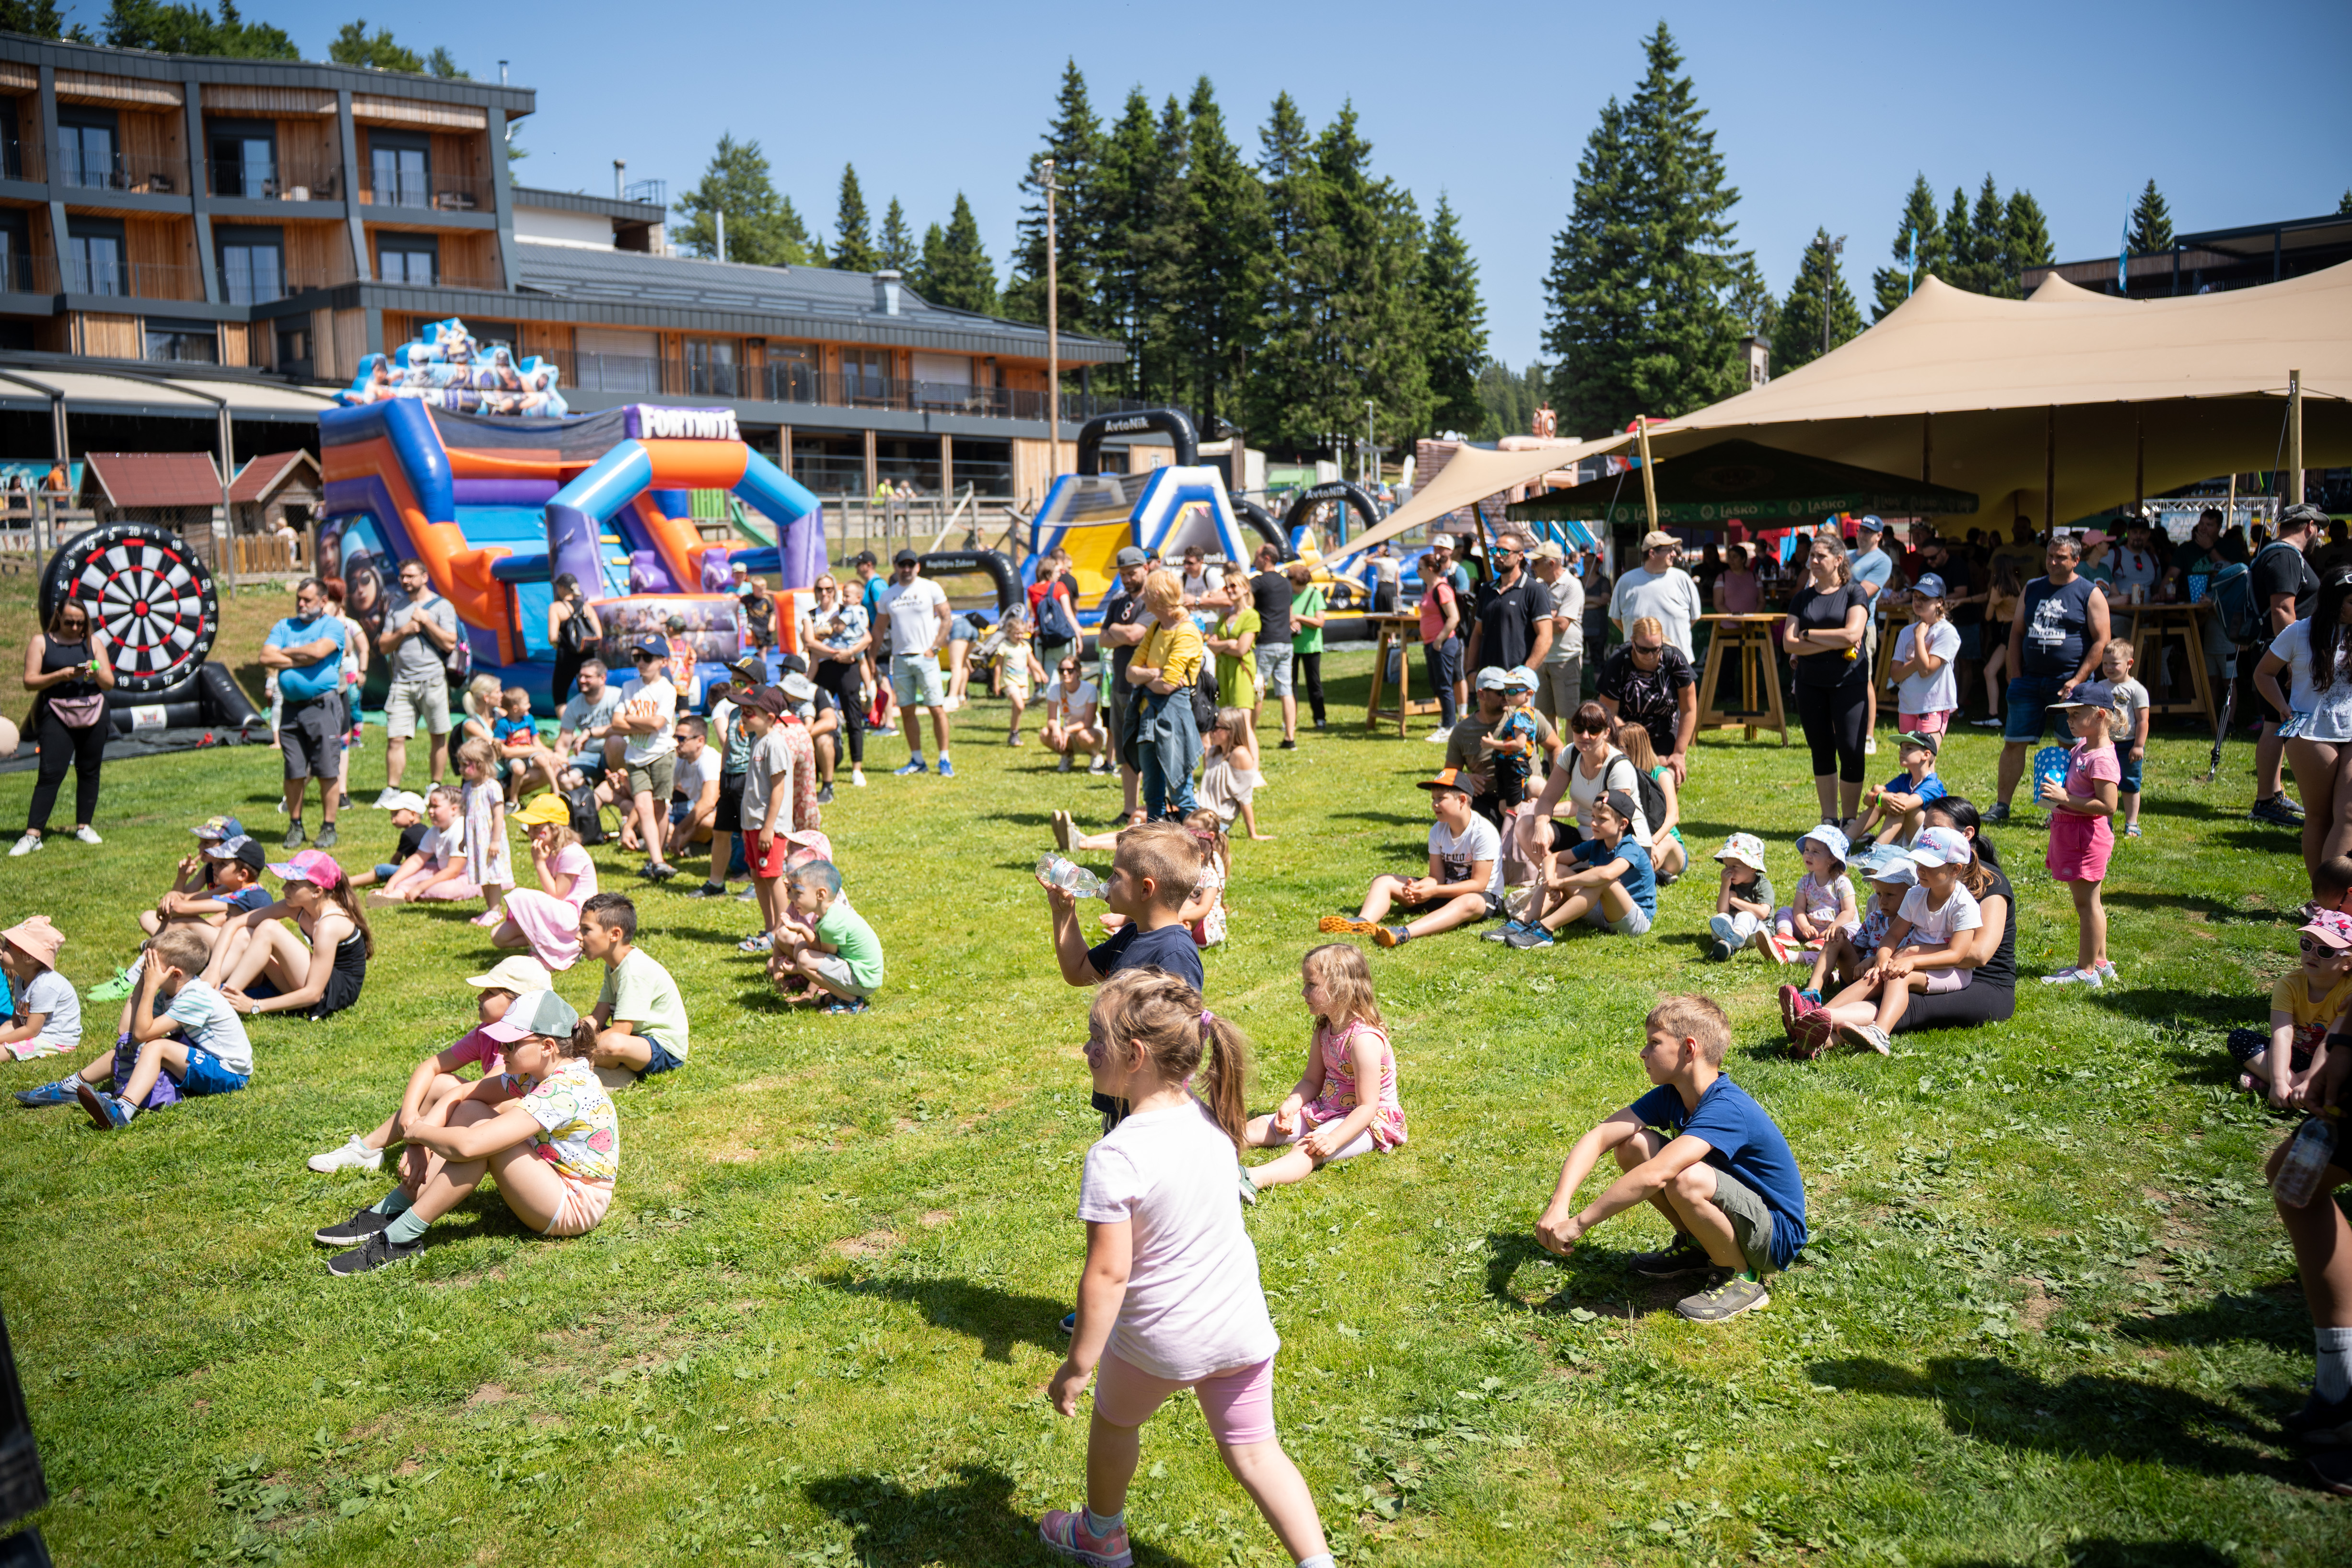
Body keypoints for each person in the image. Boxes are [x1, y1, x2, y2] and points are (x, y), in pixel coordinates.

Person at [1039, 968, 1330, 1568]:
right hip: (1242, 1326)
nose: (1086, 1049)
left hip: (1161, 1341)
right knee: (1257, 1453)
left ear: (1136, 1054)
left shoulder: (1116, 1153)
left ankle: (1101, 1533)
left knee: (1114, 1423)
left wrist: (1077, 1364)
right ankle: (1318, 1563)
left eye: (1097, 1037)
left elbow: (1107, 1276)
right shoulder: (1210, 1119)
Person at [1534, 994, 1807, 1323]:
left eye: (1654, 1042)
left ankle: (1743, 1278)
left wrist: (1578, 1224)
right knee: (1632, 1144)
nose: (1643, 1052)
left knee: (1684, 1177)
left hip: (1774, 1236)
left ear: (1689, 1049)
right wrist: (1559, 1203)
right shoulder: (1673, 1094)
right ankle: (1699, 1247)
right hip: (1740, 1216)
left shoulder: (1726, 1107)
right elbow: (1600, 1136)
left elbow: (1657, 1174)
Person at [312, 988, 617, 1275]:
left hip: (573, 1206)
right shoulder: (536, 1073)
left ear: (547, 1047)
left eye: (510, 1044)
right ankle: (395, 1209)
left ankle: (403, 1238)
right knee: (472, 1112)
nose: (501, 1051)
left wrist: (418, 1133)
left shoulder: (564, 1088)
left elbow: (470, 1146)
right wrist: (418, 1141)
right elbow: (464, 1095)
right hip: (548, 1180)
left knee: (481, 1136)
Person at [305, 953, 551, 1173]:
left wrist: (422, 1134)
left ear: (518, 1003)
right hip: (488, 1121)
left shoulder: (524, 1046)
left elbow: (485, 1093)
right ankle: (368, 1149)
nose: (480, 996)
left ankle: (402, 1156)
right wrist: (411, 1111)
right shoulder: (485, 1033)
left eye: (490, 992)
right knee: (443, 1084)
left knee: (452, 1092)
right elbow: (432, 1065)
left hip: (520, 1132)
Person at [1794, 827, 1983, 1055]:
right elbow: (1893, 936)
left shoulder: (1963, 905)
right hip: (1911, 961)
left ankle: (1880, 1033)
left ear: (1955, 869)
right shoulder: (1916, 895)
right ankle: (1818, 1018)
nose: (1920, 870)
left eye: (1929, 865)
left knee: (1898, 976)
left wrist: (1911, 963)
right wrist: (1883, 958)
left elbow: (1957, 954)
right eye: (1919, 863)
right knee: (1875, 976)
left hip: (1950, 970)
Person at [1240, 943, 1405, 1191]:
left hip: (1367, 1121)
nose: (1303, 992)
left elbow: (1368, 1106)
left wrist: (1332, 1138)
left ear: (1340, 989)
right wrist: (1291, 1105)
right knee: (1260, 1126)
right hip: (1330, 1108)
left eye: (1312, 985)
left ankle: (1250, 1179)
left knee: (1309, 1148)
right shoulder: (1324, 1030)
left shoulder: (1364, 1041)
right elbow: (1311, 1081)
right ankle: (1206, 1152)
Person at [65, 926, 252, 1129]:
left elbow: (141, 1033)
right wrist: (141, 984)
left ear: (175, 974)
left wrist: (151, 986)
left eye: (153, 963)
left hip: (229, 1073)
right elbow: (127, 1031)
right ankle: (72, 1085)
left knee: (155, 1047)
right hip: (200, 1056)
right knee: (136, 1045)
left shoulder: (195, 997)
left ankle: (122, 1111)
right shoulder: (169, 993)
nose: (145, 966)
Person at [1990, 534, 2111, 822]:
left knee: (2070, 746)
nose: (2054, 562)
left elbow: (2102, 640)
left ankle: (2062, 807)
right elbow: (2017, 632)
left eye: (2061, 557)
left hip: (2069, 684)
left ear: (2076, 561)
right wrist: (2015, 672)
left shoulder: (2089, 592)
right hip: (2029, 680)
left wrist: (2078, 680)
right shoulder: (2033, 588)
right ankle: (2001, 806)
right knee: (2013, 742)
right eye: (2050, 557)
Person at [1322, 768, 1502, 949]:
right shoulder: (1438, 830)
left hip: (1483, 899)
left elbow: (1479, 885)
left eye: (1441, 798)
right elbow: (1436, 878)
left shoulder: (1483, 832)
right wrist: (1420, 888)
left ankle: (1402, 933)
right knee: (1384, 881)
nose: (1435, 804)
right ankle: (1363, 923)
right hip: (1445, 891)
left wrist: (1433, 892)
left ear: (1462, 800)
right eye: (1433, 799)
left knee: (1468, 902)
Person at [2256, 568, 2352, 883]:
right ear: (2336, 602)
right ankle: (2321, 900)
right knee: (2320, 816)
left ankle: (2336, 903)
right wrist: (2282, 708)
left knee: (2348, 816)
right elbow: (2263, 673)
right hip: (2308, 732)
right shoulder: (2300, 631)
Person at [203, 848, 371, 1020]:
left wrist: (255, 1005)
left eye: (293, 884)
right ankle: (209, 995)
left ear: (317, 892)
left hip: (331, 994)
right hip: (316, 983)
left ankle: (216, 1005)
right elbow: (234, 923)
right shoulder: (296, 907)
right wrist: (214, 969)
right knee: (247, 933)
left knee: (268, 928)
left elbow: (314, 994)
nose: (284, 888)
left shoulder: (329, 925)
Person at [11, 596, 115, 857]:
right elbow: (29, 682)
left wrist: (96, 673)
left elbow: (109, 683)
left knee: (89, 770)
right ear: (58, 617)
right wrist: (62, 675)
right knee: (50, 774)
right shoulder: (41, 643)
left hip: (94, 711)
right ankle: (33, 835)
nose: (75, 627)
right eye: (69, 622)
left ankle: (84, 827)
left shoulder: (94, 643)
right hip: (56, 712)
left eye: (81, 623)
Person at [1782, 534, 1874, 825]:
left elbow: (1852, 634)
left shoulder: (1854, 593)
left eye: (1821, 556)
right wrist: (1831, 642)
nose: (1814, 561)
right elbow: (1788, 644)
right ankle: (1829, 819)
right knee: (1821, 750)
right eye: (1812, 556)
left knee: (1850, 750)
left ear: (1838, 560)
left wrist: (1808, 636)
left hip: (1849, 682)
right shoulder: (1802, 598)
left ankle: (1849, 819)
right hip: (1811, 684)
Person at [2038, 692, 2123, 988]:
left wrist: (2066, 799)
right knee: (2091, 903)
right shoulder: (2082, 748)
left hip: (2085, 839)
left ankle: (2086, 971)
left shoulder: (2101, 759)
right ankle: (2099, 963)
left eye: (2076, 714)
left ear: (2100, 714)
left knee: (2087, 905)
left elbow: (2109, 806)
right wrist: (2057, 807)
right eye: (2068, 715)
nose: (2070, 721)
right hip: (2071, 832)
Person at [260, 577, 348, 851]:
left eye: (307, 599)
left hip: (322, 707)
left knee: (327, 769)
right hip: (291, 710)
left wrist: (286, 653)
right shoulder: (284, 626)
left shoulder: (332, 626)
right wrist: (304, 656)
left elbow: (320, 651)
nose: (300, 603)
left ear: (323, 601)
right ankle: (295, 826)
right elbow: (266, 657)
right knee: (294, 770)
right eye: (299, 598)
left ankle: (328, 828)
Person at [2232, 908, 2352, 1106]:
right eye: (2307, 945)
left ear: (2348, 962)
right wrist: (2279, 1081)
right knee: (2240, 1039)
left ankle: (2279, 1084)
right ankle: (2302, 1093)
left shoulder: (2349, 994)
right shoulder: (2288, 985)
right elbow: (2283, 1035)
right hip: (2294, 1055)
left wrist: (2311, 1081)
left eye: (2325, 950)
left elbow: (2329, 1043)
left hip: (2331, 1058)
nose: (2312, 955)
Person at [1507, 789, 1655, 947]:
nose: (1594, 823)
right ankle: (1525, 921)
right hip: (1602, 911)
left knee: (1604, 881)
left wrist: (1562, 883)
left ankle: (1545, 930)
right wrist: (1551, 883)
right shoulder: (1597, 844)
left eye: (1602, 819)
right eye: (1593, 817)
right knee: (1559, 869)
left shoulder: (1630, 848)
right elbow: (1552, 858)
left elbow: (1606, 874)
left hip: (1634, 921)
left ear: (1623, 824)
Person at [373, 558, 459, 806]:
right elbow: (383, 645)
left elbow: (450, 643)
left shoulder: (442, 606)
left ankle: (435, 786)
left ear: (424, 577)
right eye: (402, 576)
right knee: (396, 737)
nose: (405, 581)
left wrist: (426, 622)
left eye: (410, 576)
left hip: (433, 681)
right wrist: (405, 630)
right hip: (401, 682)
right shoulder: (396, 607)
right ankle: (392, 790)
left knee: (437, 735)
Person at [579, 892, 688, 1085]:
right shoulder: (613, 965)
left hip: (663, 1049)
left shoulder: (634, 970)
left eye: (586, 930)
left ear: (615, 934)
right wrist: (571, 1035)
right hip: (636, 1038)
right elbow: (598, 1016)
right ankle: (603, 1062)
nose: (578, 937)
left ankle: (598, 1064)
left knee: (611, 1044)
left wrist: (577, 1050)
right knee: (584, 1032)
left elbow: (620, 1031)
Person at [1129, 569, 1207, 821]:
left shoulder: (1186, 631)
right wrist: (1155, 674)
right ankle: (1158, 855)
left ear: (1158, 595)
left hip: (1174, 720)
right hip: (1148, 720)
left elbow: (1169, 685)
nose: (1142, 598)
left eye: (1147, 593)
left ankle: (1199, 852)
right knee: (1152, 796)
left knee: (1181, 794)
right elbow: (1131, 673)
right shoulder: (1155, 628)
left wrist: (1146, 676)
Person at [490, 793, 599, 971]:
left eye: (537, 827)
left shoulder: (571, 852)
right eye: (530, 828)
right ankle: (553, 946)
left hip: (577, 917)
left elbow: (557, 894)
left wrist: (539, 863)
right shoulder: (551, 850)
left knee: (520, 896)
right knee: (499, 937)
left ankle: (557, 950)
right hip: (563, 913)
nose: (531, 833)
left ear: (555, 829)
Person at [767, 859, 884, 1014]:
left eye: (798, 893)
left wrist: (795, 969)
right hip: (861, 974)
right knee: (802, 944)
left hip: (864, 979)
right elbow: (821, 951)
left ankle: (851, 1002)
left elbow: (824, 957)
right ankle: (839, 995)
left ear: (820, 894)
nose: (792, 899)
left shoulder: (831, 923)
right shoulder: (830, 914)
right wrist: (802, 928)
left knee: (804, 959)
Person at [879, 549, 955, 778]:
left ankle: (944, 759)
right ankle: (917, 759)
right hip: (901, 659)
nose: (907, 569)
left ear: (918, 567)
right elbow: (879, 628)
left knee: (936, 708)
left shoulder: (930, 588)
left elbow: (946, 618)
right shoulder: (888, 595)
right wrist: (872, 658)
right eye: (903, 564)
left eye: (911, 565)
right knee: (907, 710)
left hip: (926, 658)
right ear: (896, 566)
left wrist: (935, 648)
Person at [1594, 616, 1697, 783]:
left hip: (1666, 727)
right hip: (1628, 731)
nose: (1650, 656)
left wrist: (1679, 754)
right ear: (1632, 642)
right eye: (1643, 650)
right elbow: (1608, 714)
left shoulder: (1675, 660)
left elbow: (1689, 710)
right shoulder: (1619, 662)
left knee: (1668, 773)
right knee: (1630, 776)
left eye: (1656, 650)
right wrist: (1638, 745)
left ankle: (1667, 807)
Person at [611, 639, 682, 876]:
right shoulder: (629, 686)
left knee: (660, 807)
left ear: (663, 661)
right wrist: (642, 724)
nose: (641, 662)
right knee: (643, 807)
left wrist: (629, 720)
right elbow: (616, 724)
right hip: (635, 757)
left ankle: (657, 859)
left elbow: (658, 723)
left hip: (662, 754)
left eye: (647, 658)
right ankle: (658, 861)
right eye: (637, 657)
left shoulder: (667, 689)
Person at [735, 686, 796, 948]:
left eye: (750, 713)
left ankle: (783, 934)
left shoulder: (775, 743)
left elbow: (779, 788)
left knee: (772, 877)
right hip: (753, 824)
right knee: (758, 875)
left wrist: (768, 828)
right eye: (741, 711)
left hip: (767, 827)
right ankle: (770, 928)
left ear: (770, 717)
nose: (743, 717)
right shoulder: (758, 740)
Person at [1098, 546, 1154, 821]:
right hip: (1120, 685)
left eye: (1131, 573)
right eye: (1122, 574)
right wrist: (1121, 634)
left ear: (1146, 568)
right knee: (1123, 753)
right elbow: (1102, 639)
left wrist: (1116, 632)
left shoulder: (1153, 601)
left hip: (1143, 688)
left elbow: (1135, 635)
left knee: (1144, 750)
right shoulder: (1118, 601)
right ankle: (1129, 809)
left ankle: (1150, 810)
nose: (1127, 579)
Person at [802, 573, 871, 790]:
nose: (825, 593)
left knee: (853, 717)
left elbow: (866, 638)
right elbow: (810, 641)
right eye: (821, 589)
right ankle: (819, 762)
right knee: (818, 714)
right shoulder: (810, 615)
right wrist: (835, 652)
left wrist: (849, 651)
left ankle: (857, 768)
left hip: (847, 668)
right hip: (823, 667)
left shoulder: (847, 610)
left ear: (835, 590)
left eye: (829, 589)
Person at [1758, 823, 1860, 966]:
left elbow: (1848, 912)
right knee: (1785, 912)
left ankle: (1804, 952)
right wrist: (1805, 927)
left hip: (1834, 930)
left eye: (1815, 852)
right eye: (1807, 850)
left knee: (1855, 928)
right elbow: (1799, 909)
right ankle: (1786, 936)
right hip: (1810, 928)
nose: (1808, 854)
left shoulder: (1841, 882)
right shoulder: (1805, 881)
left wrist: (1833, 929)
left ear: (1833, 859)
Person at [2080, 641, 2151, 841]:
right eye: (2105, 664)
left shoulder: (2136, 690)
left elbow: (2143, 720)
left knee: (2130, 784)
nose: (2109, 668)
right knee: (2105, 785)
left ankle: (2132, 822)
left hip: (2128, 746)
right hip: (2104, 746)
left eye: (2115, 664)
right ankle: (2106, 822)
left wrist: (2138, 745)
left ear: (2130, 663)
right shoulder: (2100, 688)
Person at [1464, 530, 1554, 687]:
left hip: (1517, 685)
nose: (1497, 555)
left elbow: (1546, 638)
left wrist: (1523, 675)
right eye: (1495, 550)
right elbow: (1478, 633)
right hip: (1488, 683)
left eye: (1504, 551)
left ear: (1520, 556)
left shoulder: (1534, 590)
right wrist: (1471, 671)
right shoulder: (1486, 590)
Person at [372, 785, 477, 906]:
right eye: (430, 806)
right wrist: (392, 882)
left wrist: (420, 887)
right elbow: (417, 860)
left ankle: (417, 893)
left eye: (435, 806)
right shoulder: (434, 831)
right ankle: (398, 894)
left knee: (445, 889)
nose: (430, 811)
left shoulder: (460, 829)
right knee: (415, 875)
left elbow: (454, 870)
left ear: (454, 809)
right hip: (442, 871)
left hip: (467, 876)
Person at [1610, 530, 1704, 661]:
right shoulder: (1626, 582)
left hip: (1677, 663)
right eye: (1669, 550)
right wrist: (1644, 643)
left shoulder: (1683, 579)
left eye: (1674, 549)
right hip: (1639, 664)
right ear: (1652, 553)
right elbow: (1616, 619)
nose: (1674, 554)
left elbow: (1694, 617)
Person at [1887, 572, 1960, 739]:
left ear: (1940, 602)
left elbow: (1926, 670)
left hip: (1934, 706)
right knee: (1910, 762)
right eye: (1915, 596)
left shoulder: (1947, 632)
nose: (1918, 601)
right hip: (1907, 706)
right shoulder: (1906, 632)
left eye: (1925, 598)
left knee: (1923, 762)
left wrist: (1919, 637)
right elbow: (1896, 675)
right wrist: (1922, 658)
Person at [1613, 721, 1686, 881]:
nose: (1615, 751)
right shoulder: (1620, 775)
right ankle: (1656, 876)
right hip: (1637, 843)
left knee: (1666, 841)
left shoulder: (1661, 775)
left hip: (1667, 845)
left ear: (1635, 748)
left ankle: (1632, 880)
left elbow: (1673, 817)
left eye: (1620, 747)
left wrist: (1652, 841)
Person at [454, 738, 515, 928]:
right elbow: (467, 815)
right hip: (476, 840)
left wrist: (495, 841)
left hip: (489, 839)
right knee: (483, 874)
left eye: (466, 766)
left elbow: (499, 816)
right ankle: (490, 908)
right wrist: (464, 838)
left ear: (480, 765)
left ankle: (495, 911)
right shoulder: (468, 787)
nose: (461, 770)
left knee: (493, 875)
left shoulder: (492, 787)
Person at [1848, 730, 1947, 847]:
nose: (1901, 752)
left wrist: (1879, 796)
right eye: (1902, 748)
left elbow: (1902, 805)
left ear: (1926, 755)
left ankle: (1874, 852)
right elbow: (1867, 800)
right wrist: (1879, 797)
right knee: (1883, 802)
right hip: (1911, 834)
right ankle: (1843, 842)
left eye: (1909, 748)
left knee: (1897, 800)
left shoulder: (1933, 785)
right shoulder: (1904, 779)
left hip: (1931, 842)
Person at [0, 915, 78, 1062]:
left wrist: (3, 1040)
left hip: (55, 1041)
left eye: (7, 947)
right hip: (35, 1035)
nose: (1, 950)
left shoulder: (44, 985)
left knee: (3, 1050)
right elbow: (15, 1021)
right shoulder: (21, 980)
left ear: (28, 958)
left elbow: (31, 1030)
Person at [1241, 545, 1298, 746]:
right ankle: (1290, 738)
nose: (1254, 560)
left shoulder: (1258, 583)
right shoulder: (1286, 584)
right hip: (1286, 643)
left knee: (1258, 691)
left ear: (1266, 558)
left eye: (1256, 556)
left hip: (1266, 644)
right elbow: (1290, 614)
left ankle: (1250, 734)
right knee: (1286, 691)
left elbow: (1243, 599)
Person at [1528, 540, 1585, 727]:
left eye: (1536, 563)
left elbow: (1561, 625)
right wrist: (1551, 616)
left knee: (1571, 716)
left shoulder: (1572, 585)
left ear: (1551, 563)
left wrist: (1538, 618)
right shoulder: (1537, 585)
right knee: (1544, 715)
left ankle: (1571, 756)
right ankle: (1551, 757)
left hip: (1566, 657)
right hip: (1541, 657)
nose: (1532, 567)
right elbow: (1530, 617)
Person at [1850, 517, 1896, 746]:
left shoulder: (1882, 561)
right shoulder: (1846, 555)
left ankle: (1868, 736)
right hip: (1838, 626)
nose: (1863, 534)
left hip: (1863, 627)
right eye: (1861, 530)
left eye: (1869, 531)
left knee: (1864, 680)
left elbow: (1862, 593)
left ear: (1879, 536)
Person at [1197, 706, 1268, 842]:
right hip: (1199, 812)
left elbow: (1245, 798)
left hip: (1215, 820)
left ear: (1231, 731)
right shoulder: (1214, 752)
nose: (1212, 732)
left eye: (1216, 728)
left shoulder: (1240, 755)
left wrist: (1253, 834)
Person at [1703, 832, 1777, 963]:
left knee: (1745, 915)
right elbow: (1722, 910)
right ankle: (1727, 946)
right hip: (1737, 927)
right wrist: (1725, 886)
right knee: (1720, 918)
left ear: (1753, 867)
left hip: (1759, 934)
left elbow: (1762, 913)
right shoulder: (1731, 883)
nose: (1729, 871)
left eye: (1735, 867)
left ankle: (1733, 938)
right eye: (1726, 866)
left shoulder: (1762, 885)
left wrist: (1734, 901)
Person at [1970, 556, 2026, 727]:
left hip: (2010, 633)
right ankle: (1993, 715)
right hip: (2013, 633)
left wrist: (1995, 608)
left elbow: (1987, 617)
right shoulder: (2016, 584)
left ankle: (2021, 719)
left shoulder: (1998, 588)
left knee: (2012, 677)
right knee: (1989, 671)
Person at [1415, 548, 1463, 735]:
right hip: (1432, 643)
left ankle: (1449, 726)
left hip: (1443, 644)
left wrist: (1439, 640)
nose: (1417, 573)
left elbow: (1454, 617)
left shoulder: (1442, 589)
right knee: (1437, 685)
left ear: (1429, 569)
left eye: (1419, 569)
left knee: (1445, 685)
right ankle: (1447, 721)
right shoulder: (1428, 589)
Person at [1040, 654, 1107, 774]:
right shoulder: (1055, 690)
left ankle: (1096, 756)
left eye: (1070, 670)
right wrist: (1056, 728)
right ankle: (1067, 755)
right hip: (1070, 733)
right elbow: (1051, 719)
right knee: (1045, 734)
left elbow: (1088, 722)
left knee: (1083, 736)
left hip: (1091, 732)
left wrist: (1067, 730)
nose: (1065, 674)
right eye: (1062, 671)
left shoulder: (1089, 689)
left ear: (1078, 672)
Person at [992, 606, 1049, 746]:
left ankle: (1014, 733)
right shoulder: (1004, 647)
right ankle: (1014, 733)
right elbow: (998, 666)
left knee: (1018, 708)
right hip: (1009, 681)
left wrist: (1042, 673)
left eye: (1021, 634)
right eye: (1016, 634)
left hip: (1023, 681)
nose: (1019, 636)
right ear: (1009, 632)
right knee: (1020, 705)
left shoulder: (1025, 646)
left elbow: (1033, 662)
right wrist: (996, 683)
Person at [351, 792, 430, 893]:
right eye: (391, 814)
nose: (392, 818)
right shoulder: (426, 830)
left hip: (419, 870)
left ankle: (347, 882)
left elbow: (396, 859)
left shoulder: (409, 834)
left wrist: (392, 872)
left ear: (412, 815)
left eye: (396, 813)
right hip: (430, 870)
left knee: (382, 870)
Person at [492, 685, 557, 805]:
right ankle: (513, 799)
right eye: (527, 703)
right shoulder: (503, 724)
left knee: (544, 760)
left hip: (529, 753)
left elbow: (536, 741)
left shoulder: (529, 719)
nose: (530, 706)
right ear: (516, 708)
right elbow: (500, 749)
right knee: (519, 769)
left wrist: (549, 753)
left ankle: (556, 792)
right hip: (514, 757)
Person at [1285, 559, 1329, 734]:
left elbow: (1320, 622)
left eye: (1289, 577)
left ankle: (1320, 718)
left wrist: (1298, 618)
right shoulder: (1287, 594)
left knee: (1314, 683)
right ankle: (1290, 720)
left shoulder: (1315, 594)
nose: (1287, 580)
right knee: (1290, 685)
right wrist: (1290, 622)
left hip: (1311, 646)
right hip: (1291, 645)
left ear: (1298, 580)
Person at [1206, 578, 1262, 713]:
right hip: (1222, 671)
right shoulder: (1224, 616)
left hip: (1240, 671)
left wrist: (1221, 646)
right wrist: (1229, 643)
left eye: (1233, 586)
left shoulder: (1251, 616)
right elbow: (1210, 645)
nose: (1230, 590)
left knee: (1242, 721)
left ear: (1245, 589)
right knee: (1224, 722)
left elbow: (1241, 650)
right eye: (1227, 587)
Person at [547, 571, 602, 708]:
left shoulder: (556, 607)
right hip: (588, 657)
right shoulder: (587, 607)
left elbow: (553, 637)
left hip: (566, 657)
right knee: (588, 693)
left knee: (560, 696)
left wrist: (556, 644)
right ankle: (590, 726)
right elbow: (599, 636)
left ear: (563, 588)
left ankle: (567, 728)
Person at [1712, 543, 1762, 616]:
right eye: (1729, 557)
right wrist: (1735, 619)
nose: (1731, 560)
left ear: (1743, 559)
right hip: (1728, 626)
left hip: (1752, 625)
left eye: (1735, 557)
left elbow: (1762, 601)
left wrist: (1753, 619)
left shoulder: (1755, 578)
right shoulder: (1721, 578)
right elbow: (1718, 604)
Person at [1177, 544, 1224, 608]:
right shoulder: (1182, 577)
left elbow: (1225, 599)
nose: (1186, 566)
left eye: (1190, 563)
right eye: (1185, 562)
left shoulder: (1211, 573)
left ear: (1201, 562)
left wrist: (1197, 601)